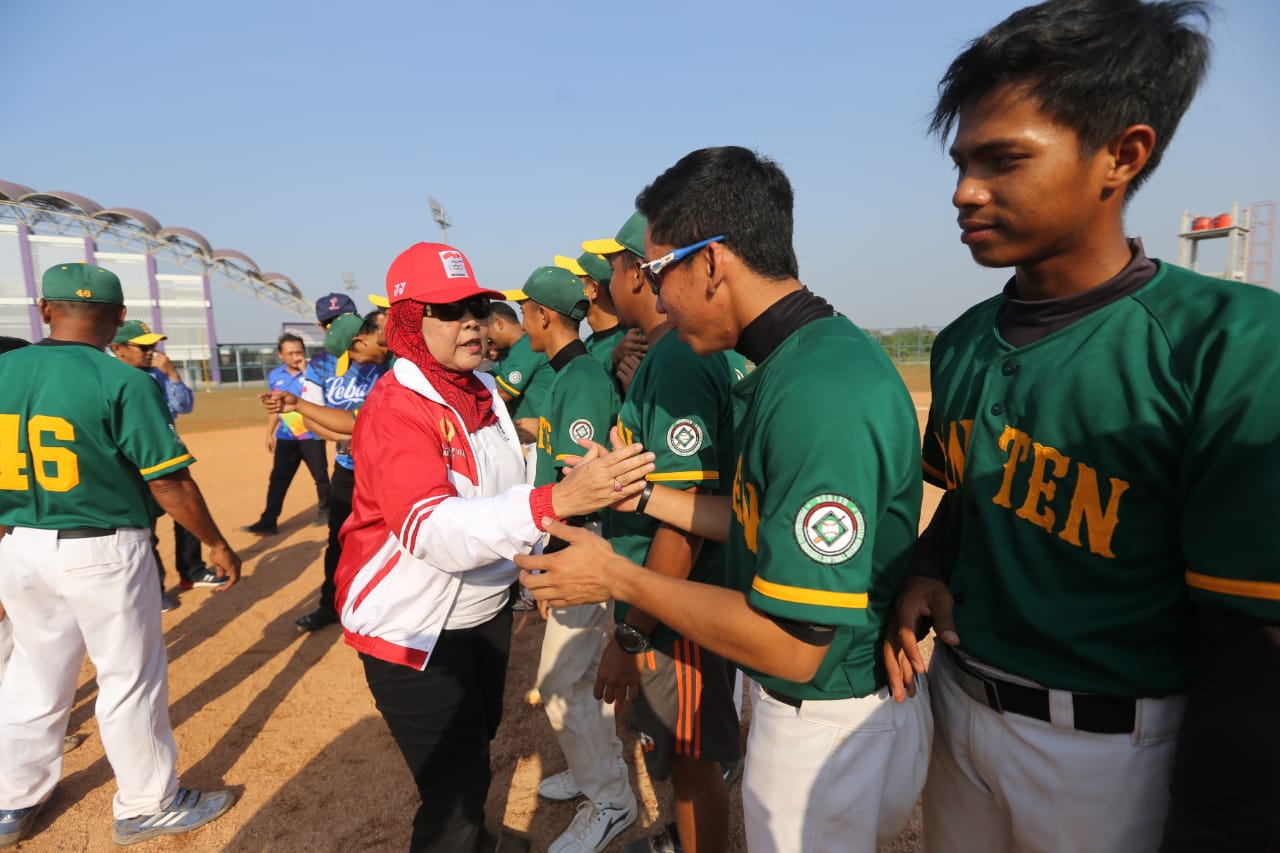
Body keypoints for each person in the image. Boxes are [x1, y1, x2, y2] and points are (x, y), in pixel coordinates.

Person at [882, 3, 1280, 852]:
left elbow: (1251, 648)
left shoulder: (1230, 343)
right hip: (960, 708)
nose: (964, 190)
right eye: (961, 161)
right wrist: (926, 563)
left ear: (1122, 155)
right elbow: (972, 496)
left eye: (1004, 159)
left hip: (1114, 749)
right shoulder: (959, 342)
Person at [517, 147, 931, 853]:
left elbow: (795, 645)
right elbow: (746, 521)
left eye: (654, 273)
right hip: (822, 712)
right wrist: (641, 493)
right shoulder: (794, 359)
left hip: (824, 716)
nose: (653, 298)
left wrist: (616, 578)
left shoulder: (817, 388)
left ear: (711, 263)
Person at [331, 242, 654, 853]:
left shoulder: (477, 390)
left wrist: (539, 561)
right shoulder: (397, 407)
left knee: (476, 752)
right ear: (407, 321)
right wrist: (554, 504)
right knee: (449, 799)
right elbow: (430, 530)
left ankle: (478, 841)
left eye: (478, 306)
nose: (473, 321)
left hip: (479, 612)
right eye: (450, 310)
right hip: (411, 630)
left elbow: (500, 492)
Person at [0, 263, 241, 847]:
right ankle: (147, 804)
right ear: (115, 319)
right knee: (128, 679)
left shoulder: (4, 368)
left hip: (21, 545)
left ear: (45, 309)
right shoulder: (123, 380)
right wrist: (214, 540)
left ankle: (11, 803)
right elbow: (169, 484)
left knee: (32, 675)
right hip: (103, 547)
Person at [587, 209, 748, 853]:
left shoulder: (678, 358)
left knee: (689, 757)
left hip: (674, 604)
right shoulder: (662, 356)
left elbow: (688, 519)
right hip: (664, 597)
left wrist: (631, 634)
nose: (607, 283)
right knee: (681, 750)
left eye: (615, 268)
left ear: (641, 270)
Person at [517, 266, 636, 853]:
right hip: (569, 541)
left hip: (583, 545)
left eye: (525, 311)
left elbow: (585, 485)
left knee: (561, 681)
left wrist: (552, 563)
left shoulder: (583, 376)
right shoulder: (571, 372)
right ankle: (601, 771)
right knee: (577, 678)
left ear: (543, 315)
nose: (520, 322)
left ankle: (611, 799)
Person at [268, 298, 389, 636]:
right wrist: (344, 438)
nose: (335, 326)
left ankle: (385, 606)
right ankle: (331, 604)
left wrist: (356, 433)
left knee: (393, 536)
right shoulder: (322, 364)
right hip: (348, 464)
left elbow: (368, 418)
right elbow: (311, 415)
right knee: (339, 537)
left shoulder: (387, 359)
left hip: (384, 466)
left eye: (342, 319)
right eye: (329, 322)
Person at [109, 319, 223, 610]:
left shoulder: (156, 375)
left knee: (186, 514)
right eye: (143, 346)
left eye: (153, 345)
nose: (151, 351)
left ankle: (192, 572)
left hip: (163, 453)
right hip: (129, 463)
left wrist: (172, 375)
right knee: (145, 528)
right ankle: (154, 588)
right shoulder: (109, 378)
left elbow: (184, 406)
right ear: (118, 349)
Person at [244, 333, 331, 533]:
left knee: (321, 477)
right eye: (290, 353)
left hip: (311, 435)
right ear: (280, 355)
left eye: (299, 352)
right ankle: (268, 520)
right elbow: (275, 407)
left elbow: (324, 402)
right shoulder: (275, 376)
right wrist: (269, 433)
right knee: (278, 479)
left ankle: (326, 512)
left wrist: (307, 372)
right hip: (286, 437)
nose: (296, 356)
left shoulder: (314, 373)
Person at [553, 252, 625, 378]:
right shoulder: (590, 343)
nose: (567, 288)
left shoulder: (626, 343)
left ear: (594, 290)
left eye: (574, 281)